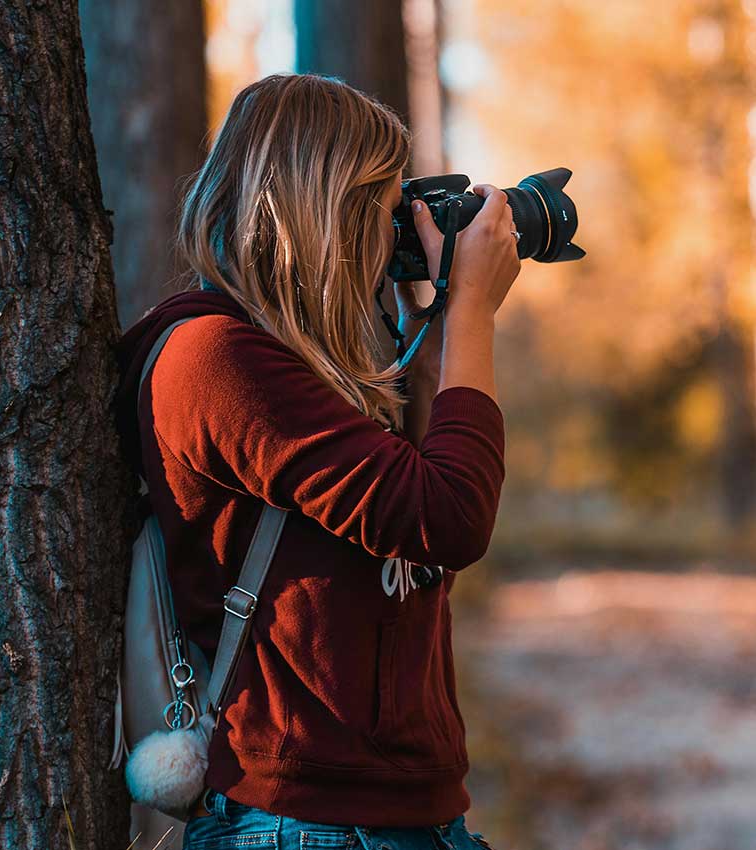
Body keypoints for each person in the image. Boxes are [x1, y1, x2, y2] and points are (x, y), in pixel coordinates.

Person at [113, 73, 517, 850]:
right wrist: (470, 313)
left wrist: (425, 320)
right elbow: (448, 520)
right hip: (303, 822)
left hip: (392, 817)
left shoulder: (308, 365)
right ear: (326, 208)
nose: (392, 230)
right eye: (382, 205)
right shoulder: (216, 358)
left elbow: (420, 533)